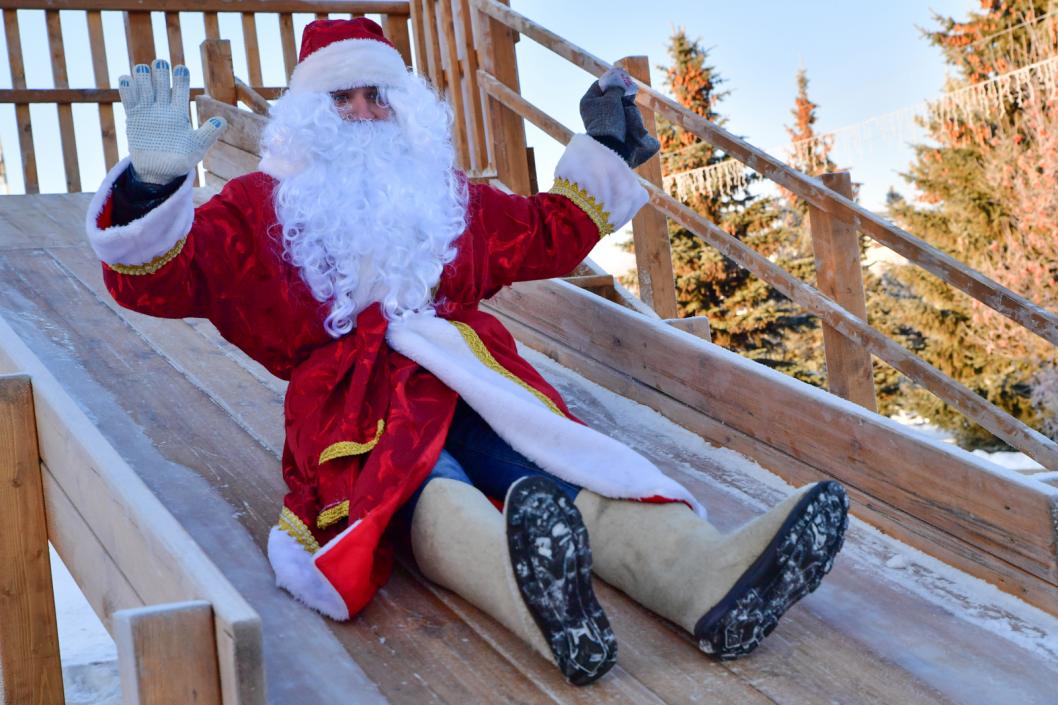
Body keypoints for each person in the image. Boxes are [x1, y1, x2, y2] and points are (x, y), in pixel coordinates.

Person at [85, 18, 848, 685]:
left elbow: (543, 231)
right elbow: (167, 278)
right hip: (350, 406)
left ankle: (705, 577)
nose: (364, 113)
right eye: (343, 99)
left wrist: (606, 147)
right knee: (421, 483)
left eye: (377, 96)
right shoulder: (258, 209)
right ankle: (538, 599)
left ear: (403, 108)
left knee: (564, 463)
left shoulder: (441, 196)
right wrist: (151, 189)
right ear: (310, 116)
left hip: (470, 377)